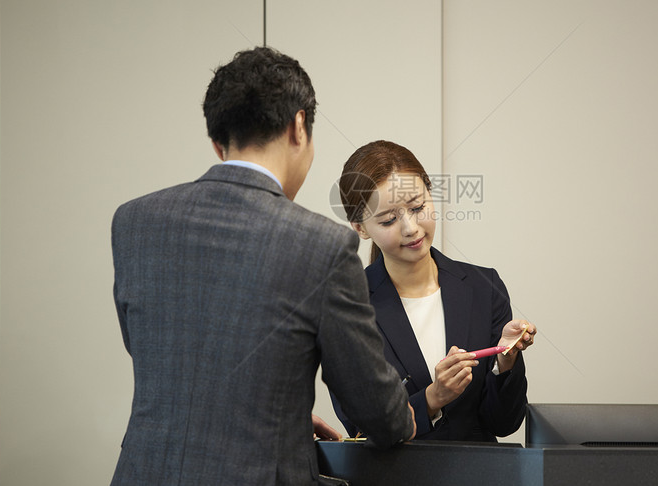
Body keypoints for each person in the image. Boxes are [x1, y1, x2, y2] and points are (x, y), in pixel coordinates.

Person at [111, 47, 415, 485]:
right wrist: (404, 416)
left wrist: (273, 407)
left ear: (218, 144)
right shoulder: (324, 246)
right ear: (298, 127)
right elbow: (376, 408)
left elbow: (161, 353)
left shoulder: (134, 222)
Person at [332, 140, 535, 442]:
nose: (411, 228)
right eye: (389, 219)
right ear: (360, 228)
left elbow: (504, 423)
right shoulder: (346, 307)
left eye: (418, 207)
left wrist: (504, 362)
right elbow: (363, 430)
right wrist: (431, 398)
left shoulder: (484, 287)